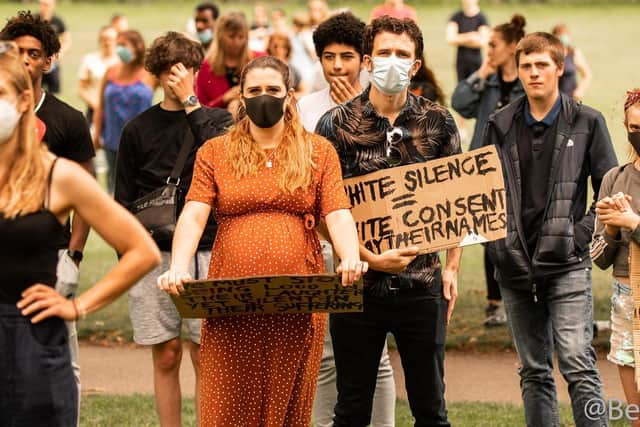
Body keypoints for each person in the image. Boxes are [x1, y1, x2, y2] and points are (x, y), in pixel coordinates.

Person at [158, 55, 366, 426]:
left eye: (272, 89)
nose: (263, 97)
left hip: (297, 302)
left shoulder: (318, 151)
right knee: (227, 404)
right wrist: (178, 267)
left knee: (287, 408)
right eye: (254, 90)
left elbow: (336, 211)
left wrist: (349, 256)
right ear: (241, 96)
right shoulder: (215, 153)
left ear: (288, 95)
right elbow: (194, 213)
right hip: (230, 304)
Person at [0, 39, 161, 427]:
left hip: (30, 340)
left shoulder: (59, 175)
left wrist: (78, 306)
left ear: (23, 101)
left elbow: (142, 251)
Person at [316, 16, 462, 427]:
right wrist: (367, 257)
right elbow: (322, 210)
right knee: (351, 410)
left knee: (431, 411)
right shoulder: (334, 126)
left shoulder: (439, 122)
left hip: (422, 285)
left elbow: (459, 199)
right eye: (384, 53)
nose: (392, 61)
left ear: (416, 66)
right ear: (367, 61)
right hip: (356, 284)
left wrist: (451, 266)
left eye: (402, 55)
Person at [482, 32, 617, 427]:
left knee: (577, 362)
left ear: (560, 68)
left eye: (542, 65)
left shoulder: (588, 121)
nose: (534, 73)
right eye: (526, 66)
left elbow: (608, 191)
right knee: (534, 370)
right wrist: (498, 246)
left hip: (568, 264)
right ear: (518, 70)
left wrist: (579, 236)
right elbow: (484, 195)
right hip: (514, 265)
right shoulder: (500, 123)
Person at [114, 31, 232, 427]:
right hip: (153, 254)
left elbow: (224, 162)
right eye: (166, 70)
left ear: (197, 70)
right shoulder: (137, 129)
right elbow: (122, 201)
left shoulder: (216, 119)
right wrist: (128, 257)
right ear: (156, 73)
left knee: (206, 353)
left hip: (208, 248)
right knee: (165, 353)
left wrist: (191, 103)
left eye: (183, 69)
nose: (174, 77)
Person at [298, 12, 396, 427]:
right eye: (329, 57)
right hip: (321, 242)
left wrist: (348, 112)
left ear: (364, 60)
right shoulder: (304, 108)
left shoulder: (380, 105)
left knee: (377, 354)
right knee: (325, 351)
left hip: (371, 239)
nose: (337, 66)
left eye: (347, 57)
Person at [1, 10, 96, 408]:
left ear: (48, 60)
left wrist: (72, 256)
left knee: (59, 356)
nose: (26, 60)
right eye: (18, 51)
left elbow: (88, 198)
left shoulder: (68, 119)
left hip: (51, 251)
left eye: (34, 53)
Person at [451, 14, 526, 327]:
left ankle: (520, 298)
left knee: (519, 236)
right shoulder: (489, 82)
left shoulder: (527, 82)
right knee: (488, 236)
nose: (489, 50)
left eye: (494, 45)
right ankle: (494, 303)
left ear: (512, 47)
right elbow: (459, 102)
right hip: (484, 171)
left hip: (519, 173)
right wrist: (483, 71)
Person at [592, 89, 640, 427]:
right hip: (626, 300)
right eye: (634, 127)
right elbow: (599, 257)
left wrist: (633, 223)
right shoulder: (614, 178)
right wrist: (610, 228)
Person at [93, 30, 155, 193]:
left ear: (138, 46)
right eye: (118, 45)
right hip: (112, 139)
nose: (120, 49)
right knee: (113, 186)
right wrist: (97, 133)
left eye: (124, 45)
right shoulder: (111, 71)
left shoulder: (150, 73)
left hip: (141, 141)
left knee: (139, 186)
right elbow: (100, 106)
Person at [195, 11, 265, 116]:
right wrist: (224, 99)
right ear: (220, 37)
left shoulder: (259, 60)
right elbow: (199, 111)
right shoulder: (206, 67)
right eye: (231, 37)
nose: (236, 42)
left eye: (241, 37)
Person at [77, 25, 119, 124]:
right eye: (104, 39)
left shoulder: (123, 61)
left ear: (117, 40)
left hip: (118, 111)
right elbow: (82, 89)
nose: (107, 42)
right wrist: (97, 106)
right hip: (94, 111)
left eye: (110, 39)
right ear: (99, 41)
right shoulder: (89, 59)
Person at [446, 0, 489, 84]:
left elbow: (483, 42)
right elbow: (450, 39)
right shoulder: (456, 17)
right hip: (461, 62)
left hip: (477, 62)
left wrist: (460, 38)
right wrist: (471, 36)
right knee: (462, 89)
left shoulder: (482, 18)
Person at [36, 0, 70, 94]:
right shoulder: (34, 20)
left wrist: (60, 53)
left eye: (48, 5)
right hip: (36, 63)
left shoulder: (58, 21)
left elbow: (67, 40)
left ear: (54, 5)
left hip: (53, 63)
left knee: (54, 94)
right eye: (43, 4)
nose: (45, 7)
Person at [551, 24, 592, 101]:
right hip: (554, 99)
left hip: (571, 99)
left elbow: (587, 74)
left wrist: (580, 90)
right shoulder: (550, 54)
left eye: (565, 35)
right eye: (560, 35)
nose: (563, 37)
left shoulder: (574, 53)